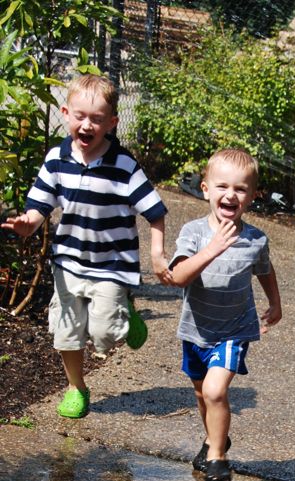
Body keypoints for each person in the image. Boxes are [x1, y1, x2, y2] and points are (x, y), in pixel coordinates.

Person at [1, 74, 172, 419]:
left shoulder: (124, 166)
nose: (86, 124)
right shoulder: (56, 158)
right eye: (79, 115)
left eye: (96, 119)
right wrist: (28, 224)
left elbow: (155, 213)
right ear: (65, 113)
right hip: (69, 260)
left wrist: (156, 254)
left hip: (112, 264)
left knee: (103, 333)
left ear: (111, 122)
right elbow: (39, 208)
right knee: (66, 331)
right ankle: (76, 387)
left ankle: (125, 311)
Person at [170, 149, 282, 481]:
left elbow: (265, 270)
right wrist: (212, 249)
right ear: (205, 189)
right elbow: (178, 276)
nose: (230, 195)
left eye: (240, 189)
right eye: (222, 186)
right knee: (203, 394)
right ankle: (213, 439)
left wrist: (275, 303)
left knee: (216, 392)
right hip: (195, 329)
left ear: (252, 197)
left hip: (234, 330)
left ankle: (218, 457)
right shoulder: (193, 232)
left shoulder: (254, 239)